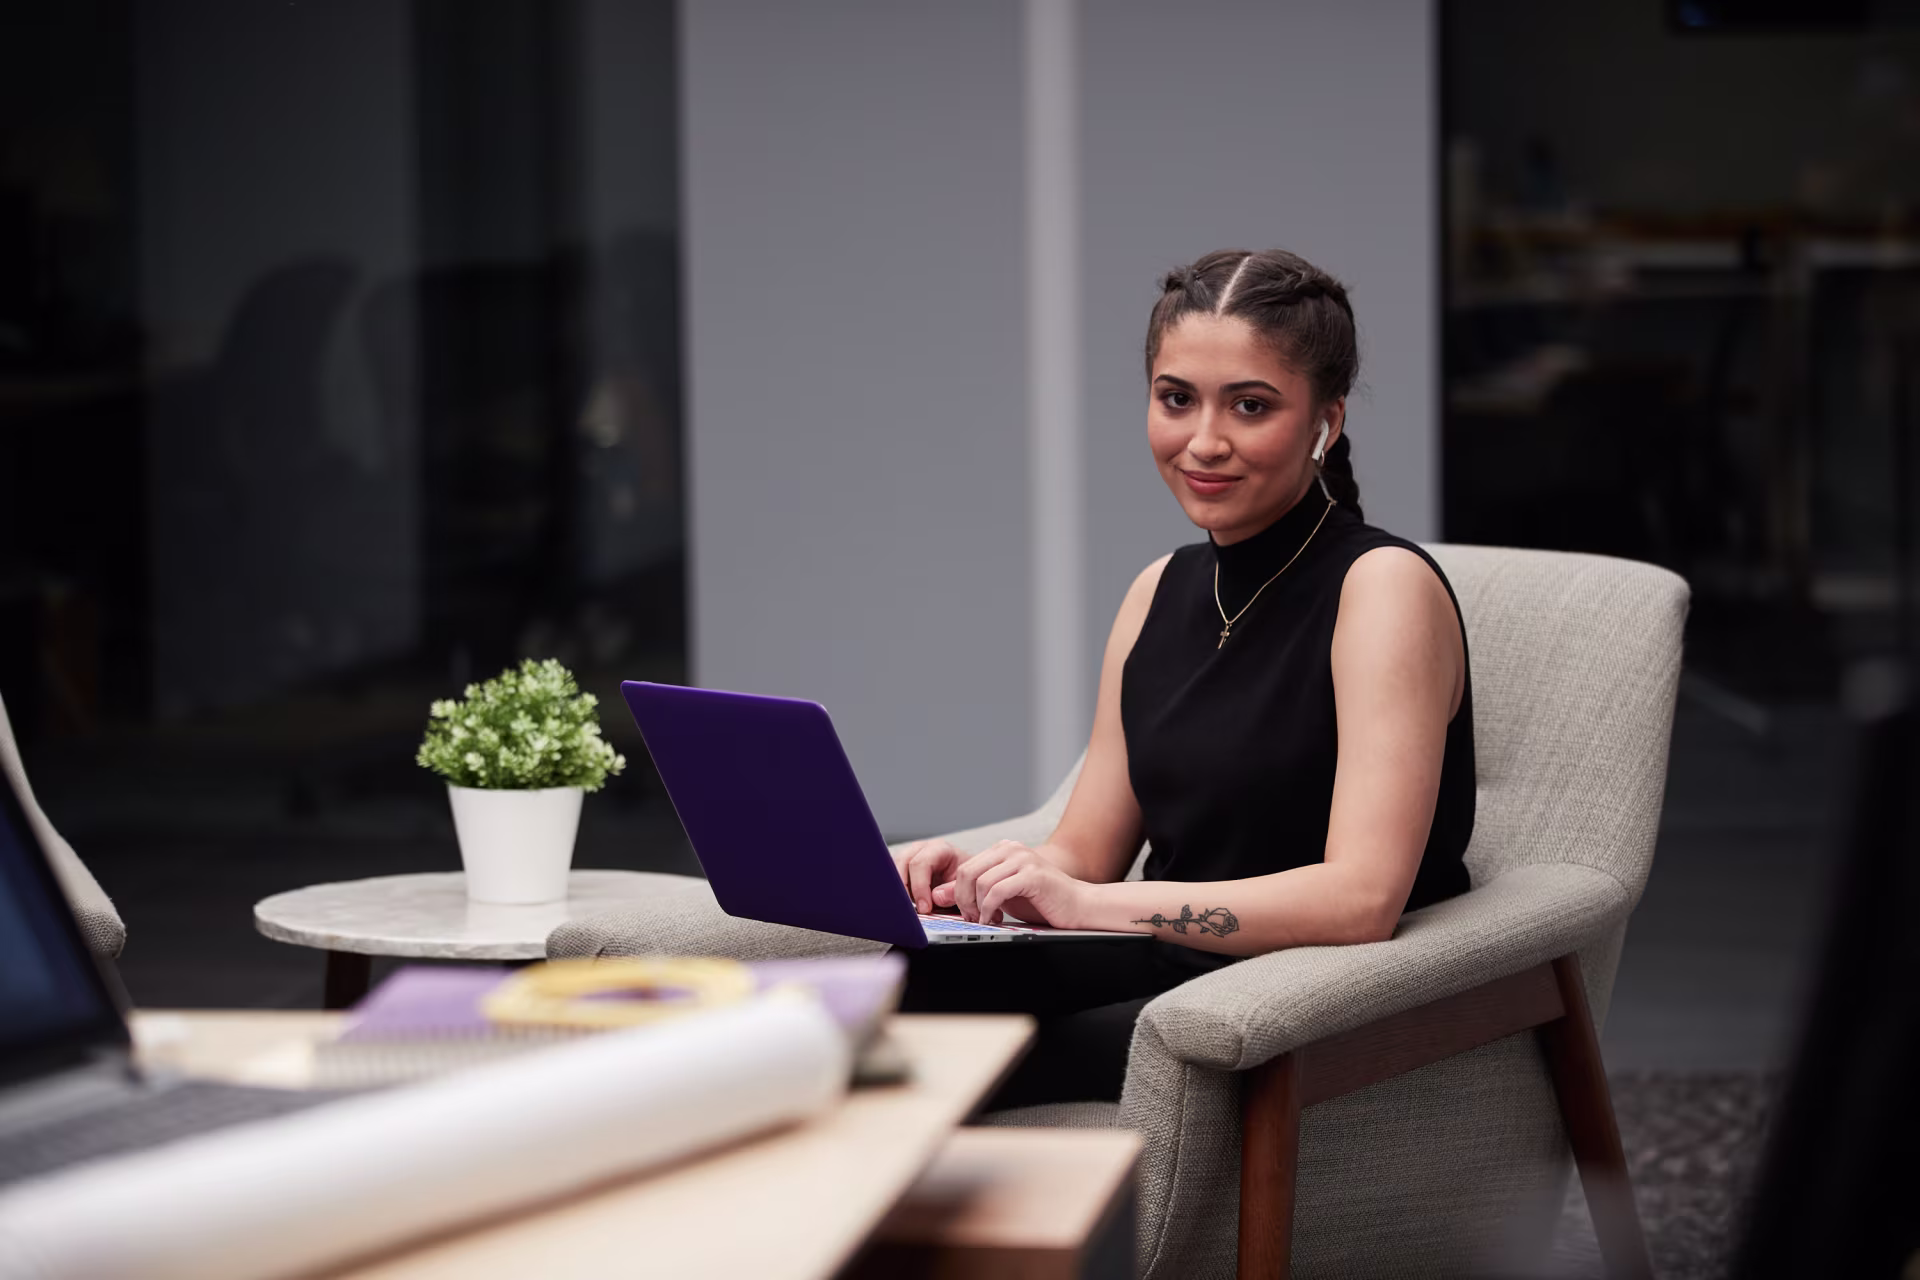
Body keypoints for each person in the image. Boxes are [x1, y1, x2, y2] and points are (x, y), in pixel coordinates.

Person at [893, 248, 1475, 1108]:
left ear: (1327, 419)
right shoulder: (1155, 592)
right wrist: (985, 883)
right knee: (889, 983)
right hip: (1164, 964)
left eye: (1251, 405)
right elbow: (1086, 854)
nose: (1204, 441)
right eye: (1176, 399)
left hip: (1291, 994)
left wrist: (1090, 906)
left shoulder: (1382, 588)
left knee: (928, 1044)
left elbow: (1361, 900)